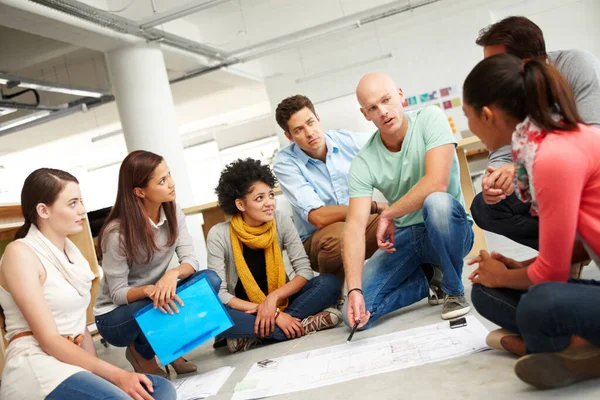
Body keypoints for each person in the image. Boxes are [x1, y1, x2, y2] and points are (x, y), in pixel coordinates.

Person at [463, 53, 600, 389]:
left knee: (537, 306)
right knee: (484, 293)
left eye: (468, 116)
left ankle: (573, 351)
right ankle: (576, 345)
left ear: (487, 115)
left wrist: (509, 276)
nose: (469, 127)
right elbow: (581, 248)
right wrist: (513, 271)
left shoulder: (552, 157)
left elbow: (551, 275)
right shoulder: (554, 141)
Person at [0, 168, 175, 400]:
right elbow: (49, 341)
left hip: (69, 363)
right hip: (39, 366)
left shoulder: (73, 254)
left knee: (158, 389)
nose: (82, 210)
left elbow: (79, 328)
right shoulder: (20, 253)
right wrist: (116, 376)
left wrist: (103, 377)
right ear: (43, 210)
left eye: (80, 201)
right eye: (72, 203)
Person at [343, 72, 474, 329]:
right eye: (373, 107)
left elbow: (437, 182)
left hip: (450, 228)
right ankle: (428, 279)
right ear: (365, 114)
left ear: (400, 95)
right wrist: (354, 290)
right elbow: (355, 228)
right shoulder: (363, 161)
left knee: (436, 202)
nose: (383, 111)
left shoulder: (430, 119)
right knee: (358, 318)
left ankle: (453, 289)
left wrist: (388, 213)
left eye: (387, 100)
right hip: (408, 239)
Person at [471, 16, 600, 254]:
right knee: (484, 207)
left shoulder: (577, 66)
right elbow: (501, 149)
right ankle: (569, 252)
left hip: (587, 176)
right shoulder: (505, 92)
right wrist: (496, 177)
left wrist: (525, 165)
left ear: (525, 63)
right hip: (543, 179)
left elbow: (592, 139)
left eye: (495, 63)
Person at [94, 150, 220, 377]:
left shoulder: (173, 210)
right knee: (156, 302)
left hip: (156, 295)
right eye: (162, 181)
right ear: (139, 192)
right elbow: (117, 294)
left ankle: (171, 348)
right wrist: (150, 290)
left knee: (210, 280)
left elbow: (190, 259)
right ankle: (142, 353)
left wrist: (171, 275)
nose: (171, 183)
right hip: (116, 316)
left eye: (169, 175)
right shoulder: (117, 233)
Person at [207, 158, 342, 353]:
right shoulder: (219, 234)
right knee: (219, 316)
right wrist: (276, 315)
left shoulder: (280, 220)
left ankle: (256, 337)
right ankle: (303, 324)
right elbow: (220, 293)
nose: (269, 203)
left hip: (281, 301)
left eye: (271, 195)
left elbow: (304, 271)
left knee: (329, 283)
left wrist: (273, 300)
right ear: (240, 204)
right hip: (245, 310)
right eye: (259, 198)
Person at [273, 94, 381, 284]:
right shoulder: (285, 162)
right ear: (289, 136)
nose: (309, 133)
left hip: (359, 224)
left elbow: (388, 141)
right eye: (299, 130)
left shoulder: (345, 140)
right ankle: (333, 298)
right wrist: (372, 206)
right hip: (318, 241)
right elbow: (318, 217)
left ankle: (419, 278)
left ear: (318, 119)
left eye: (311, 122)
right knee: (339, 235)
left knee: (400, 218)